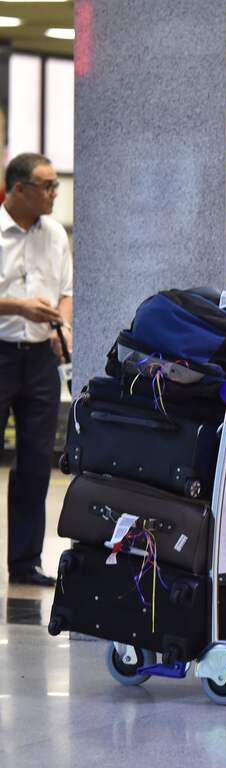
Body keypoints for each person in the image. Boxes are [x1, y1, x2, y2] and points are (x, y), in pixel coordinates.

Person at [0, 153, 72, 587]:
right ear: (18, 189)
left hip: (41, 358)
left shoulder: (55, 234)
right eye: (47, 186)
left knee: (35, 462)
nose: (53, 193)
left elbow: (66, 291)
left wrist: (65, 328)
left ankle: (25, 563)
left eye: (55, 185)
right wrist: (19, 306)